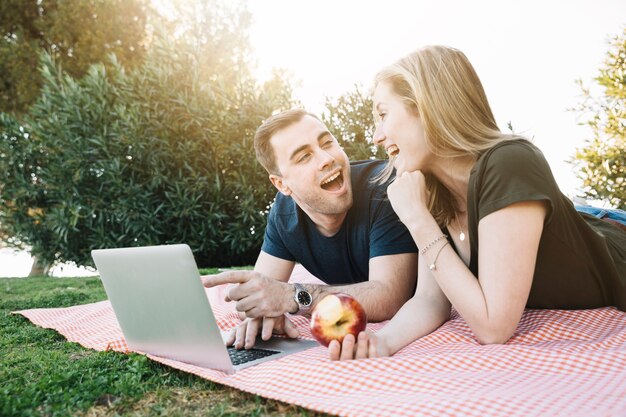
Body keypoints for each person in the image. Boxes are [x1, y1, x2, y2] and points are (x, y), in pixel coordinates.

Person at [330, 45, 626, 361]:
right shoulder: (432, 193)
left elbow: (494, 327)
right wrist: (382, 342)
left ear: (427, 106)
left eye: (383, 114)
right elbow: (431, 300)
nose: (376, 136)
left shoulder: (511, 162)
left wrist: (417, 219)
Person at [202, 109, 418, 349]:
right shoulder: (284, 213)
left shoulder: (385, 188)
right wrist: (264, 313)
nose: (326, 158)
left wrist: (292, 297)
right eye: (304, 157)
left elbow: (390, 297)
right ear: (281, 184)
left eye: (327, 143)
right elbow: (261, 294)